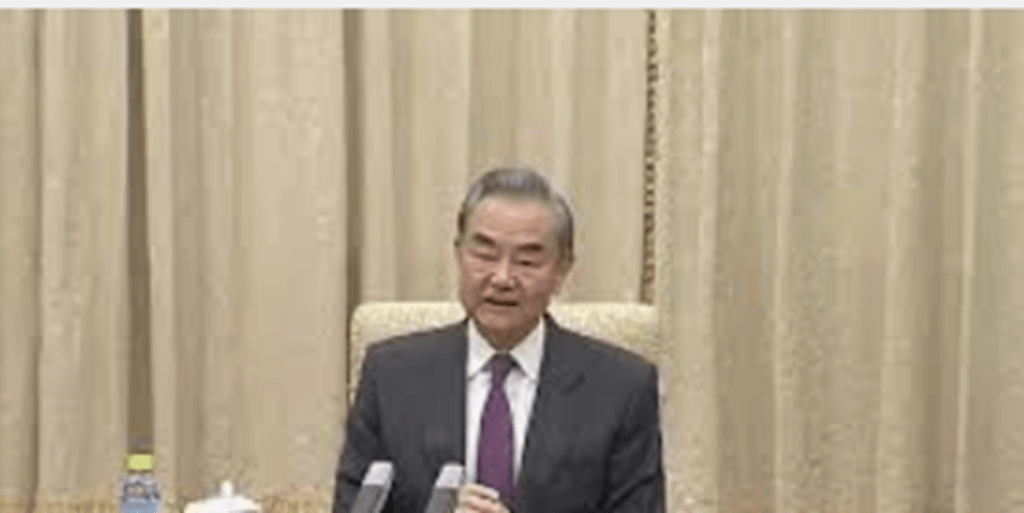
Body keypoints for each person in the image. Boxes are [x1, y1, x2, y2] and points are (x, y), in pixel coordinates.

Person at [332, 167, 665, 513]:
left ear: (561, 271)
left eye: (527, 261)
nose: (502, 278)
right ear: (459, 255)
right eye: (485, 255)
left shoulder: (622, 388)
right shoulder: (390, 374)